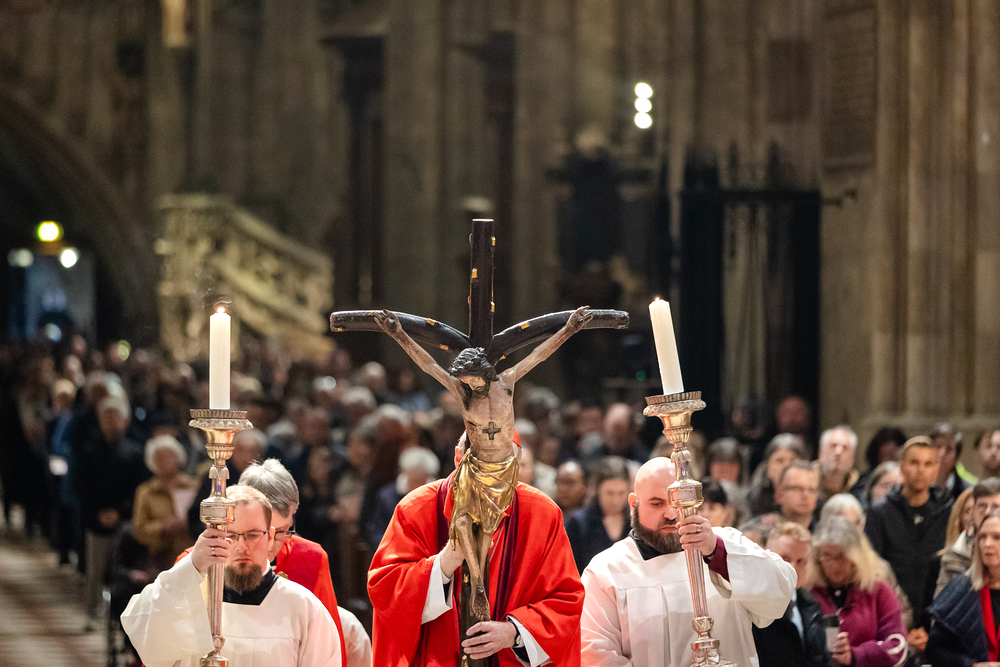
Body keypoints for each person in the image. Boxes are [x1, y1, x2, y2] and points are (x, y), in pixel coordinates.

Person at [374, 305, 591, 619]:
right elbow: (429, 365)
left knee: (487, 523)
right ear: (456, 456)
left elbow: (539, 354)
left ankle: (478, 583)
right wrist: (399, 335)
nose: (466, 384)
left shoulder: (507, 383)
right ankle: (478, 584)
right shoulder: (463, 396)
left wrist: (569, 329)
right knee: (463, 523)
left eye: (471, 379)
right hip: (475, 471)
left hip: (501, 469)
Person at [367, 433, 585, 666]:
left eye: (502, 466)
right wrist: (448, 559)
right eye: (479, 464)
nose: (489, 478)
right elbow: (386, 588)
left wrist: (514, 632)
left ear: (516, 468)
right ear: (457, 458)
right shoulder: (416, 508)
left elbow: (565, 600)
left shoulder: (542, 514)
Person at [580, 457, 796, 666]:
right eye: (657, 503)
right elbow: (596, 655)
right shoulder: (606, 571)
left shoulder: (725, 543)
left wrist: (717, 552)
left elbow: (781, 591)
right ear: (633, 504)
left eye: (679, 502)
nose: (671, 513)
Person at [122, 485, 343, 666]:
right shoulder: (186, 599)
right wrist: (193, 566)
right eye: (230, 535)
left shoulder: (304, 608)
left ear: (270, 537)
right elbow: (144, 634)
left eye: (252, 535)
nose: (241, 546)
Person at [865, 436, 952, 627]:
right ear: (902, 466)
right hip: (890, 617)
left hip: (939, 617)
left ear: (936, 469)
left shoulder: (948, 514)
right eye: (914, 462)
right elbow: (873, 569)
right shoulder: (879, 514)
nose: (920, 470)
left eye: (927, 464)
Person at [807, 517, 908, 667]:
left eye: (841, 556)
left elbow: (898, 647)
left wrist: (856, 655)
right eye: (827, 556)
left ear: (857, 557)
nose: (835, 565)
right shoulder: (809, 592)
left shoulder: (877, 588)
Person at [926, 507, 1000, 665]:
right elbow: (934, 650)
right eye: (982, 537)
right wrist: (970, 665)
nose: (987, 544)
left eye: (997, 537)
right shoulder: (961, 588)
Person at [752, 522, 830, 667]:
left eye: (801, 561)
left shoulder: (811, 604)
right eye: (785, 558)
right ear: (765, 556)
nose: (793, 568)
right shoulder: (751, 606)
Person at [131, 435, 197, 573]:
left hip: (192, 553)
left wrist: (191, 523)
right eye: (160, 458)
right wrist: (163, 527)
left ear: (178, 457)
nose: (165, 461)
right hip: (160, 558)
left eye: (169, 456)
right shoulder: (146, 492)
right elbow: (139, 530)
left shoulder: (193, 486)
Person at [564, 456, 631, 573]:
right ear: (597, 490)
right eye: (609, 493)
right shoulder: (579, 522)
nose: (615, 500)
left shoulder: (635, 520)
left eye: (621, 493)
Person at [935, 478, 1000, 597]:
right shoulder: (954, 555)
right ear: (973, 511)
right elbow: (942, 601)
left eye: (995, 507)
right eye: (982, 506)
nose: (988, 512)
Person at [740, 460, 819, 546]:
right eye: (796, 488)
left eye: (812, 490)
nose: (805, 495)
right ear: (779, 493)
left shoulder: (822, 532)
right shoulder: (756, 531)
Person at [746, 433, 805, 517]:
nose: (786, 466)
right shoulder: (753, 499)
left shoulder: (813, 496)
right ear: (767, 467)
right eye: (779, 461)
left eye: (793, 460)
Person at [814, 426, 860, 508]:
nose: (838, 452)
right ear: (820, 452)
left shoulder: (859, 486)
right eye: (833, 446)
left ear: (852, 457)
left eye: (845, 448)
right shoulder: (805, 479)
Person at [931, 423, 971, 503]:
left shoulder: (966, 492)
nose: (942, 454)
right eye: (938, 446)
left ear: (956, 457)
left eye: (949, 449)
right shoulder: (915, 486)